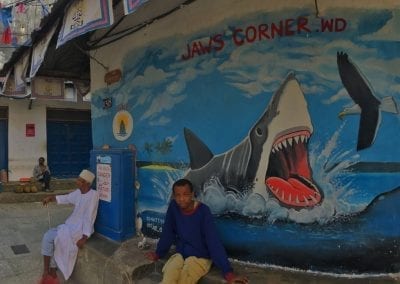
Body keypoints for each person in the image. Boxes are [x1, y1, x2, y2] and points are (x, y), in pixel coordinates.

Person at [145, 178, 248, 284]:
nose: (181, 199)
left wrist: (228, 273)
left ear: (192, 194)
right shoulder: (173, 207)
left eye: (185, 195)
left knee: (185, 280)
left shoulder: (203, 212)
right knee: (168, 277)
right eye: (178, 195)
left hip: (200, 258)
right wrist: (158, 253)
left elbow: (213, 242)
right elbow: (168, 232)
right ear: (174, 196)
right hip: (180, 255)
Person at [40, 169, 99, 284]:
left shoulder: (93, 195)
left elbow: (90, 216)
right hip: (70, 225)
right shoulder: (78, 193)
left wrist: (84, 237)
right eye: (78, 179)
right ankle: (50, 270)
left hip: (79, 231)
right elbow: (66, 198)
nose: (77, 182)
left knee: (48, 237)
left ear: (87, 183)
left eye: (80, 180)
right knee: (53, 238)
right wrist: (51, 198)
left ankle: (47, 272)